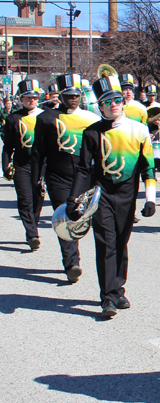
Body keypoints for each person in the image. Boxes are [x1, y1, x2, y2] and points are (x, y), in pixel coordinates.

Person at [66, 76, 157, 317]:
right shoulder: (91, 133)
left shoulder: (139, 130)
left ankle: (118, 289)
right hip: (102, 193)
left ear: (123, 102)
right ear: (100, 106)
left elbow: (148, 167)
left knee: (121, 242)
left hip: (127, 194)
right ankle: (107, 296)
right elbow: (84, 169)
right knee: (106, 242)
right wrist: (73, 199)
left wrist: (150, 198)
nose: (114, 104)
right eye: (108, 102)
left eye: (117, 100)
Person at [32, 73, 100, 282]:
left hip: (85, 176)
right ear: (60, 96)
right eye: (69, 95)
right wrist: (37, 179)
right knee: (65, 216)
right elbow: (38, 152)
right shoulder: (45, 118)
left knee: (86, 217)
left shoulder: (92, 118)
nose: (73, 99)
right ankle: (72, 262)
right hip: (57, 176)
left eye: (76, 95)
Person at [2, 80, 45, 250]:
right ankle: (32, 234)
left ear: (38, 98)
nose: (31, 100)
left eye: (34, 97)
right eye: (27, 98)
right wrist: (5, 166)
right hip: (21, 165)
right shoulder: (13, 118)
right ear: (21, 99)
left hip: (41, 164)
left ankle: (33, 224)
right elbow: (7, 146)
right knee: (25, 199)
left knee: (38, 198)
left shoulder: (45, 116)